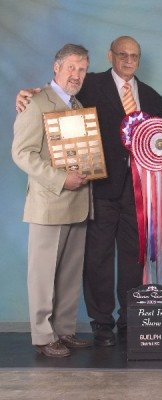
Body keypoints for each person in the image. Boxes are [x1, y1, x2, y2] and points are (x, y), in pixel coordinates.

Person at [16, 36, 162, 347]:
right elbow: (52, 94)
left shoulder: (152, 97)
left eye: (134, 55)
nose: (128, 60)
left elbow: (159, 146)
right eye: (122, 54)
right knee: (93, 261)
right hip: (96, 190)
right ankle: (99, 324)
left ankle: (127, 322)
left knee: (125, 260)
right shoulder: (88, 86)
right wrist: (27, 93)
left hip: (136, 192)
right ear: (110, 55)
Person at [12, 43, 93, 357]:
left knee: (70, 275)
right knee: (43, 275)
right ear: (56, 68)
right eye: (71, 67)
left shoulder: (78, 104)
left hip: (79, 202)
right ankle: (44, 337)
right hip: (49, 202)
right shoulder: (35, 103)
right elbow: (22, 154)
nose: (76, 74)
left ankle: (64, 330)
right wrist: (61, 179)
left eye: (82, 68)